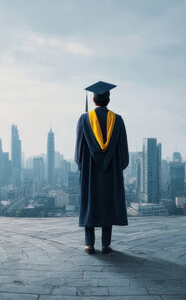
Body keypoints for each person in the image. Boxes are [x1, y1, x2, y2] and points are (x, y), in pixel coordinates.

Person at [75, 81, 129, 254]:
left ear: (93, 100)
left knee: (90, 204)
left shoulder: (84, 119)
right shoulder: (118, 120)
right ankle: (106, 244)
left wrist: (82, 166)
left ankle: (89, 244)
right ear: (109, 99)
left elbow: (79, 150)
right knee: (107, 204)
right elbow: (124, 152)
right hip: (111, 171)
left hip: (90, 172)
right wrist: (116, 168)